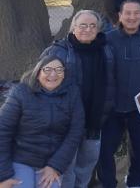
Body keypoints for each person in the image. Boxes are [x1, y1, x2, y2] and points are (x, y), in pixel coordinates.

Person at [98, 0, 140, 188]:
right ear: (119, 16)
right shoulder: (107, 38)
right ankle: (108, 184)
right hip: (113, 107)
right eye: (127, 13)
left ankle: (135, 182)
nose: (132, 17)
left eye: (136, 13)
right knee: (104, 150)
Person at [41, 11, 114, 188]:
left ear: (98, 29)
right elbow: (40, 82)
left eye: (92, 26)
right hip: (66, 123)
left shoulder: (106, 50)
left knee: (86, 166)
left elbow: (112, 82)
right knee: (65, 168)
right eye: (82, 25)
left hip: (94, 122)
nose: (87, 29)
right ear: (73, 27)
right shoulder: (58, 51)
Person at [0, 55, 84, 188]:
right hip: (21, 160)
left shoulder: (72, 95)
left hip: (51, 162)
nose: (53, 74)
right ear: (38, 72)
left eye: (59, 70)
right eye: (47, 69)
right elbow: (2, 131)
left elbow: (75, 132)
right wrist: (3, 176)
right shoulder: (21, 92)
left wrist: (55, 166)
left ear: (64, 74)